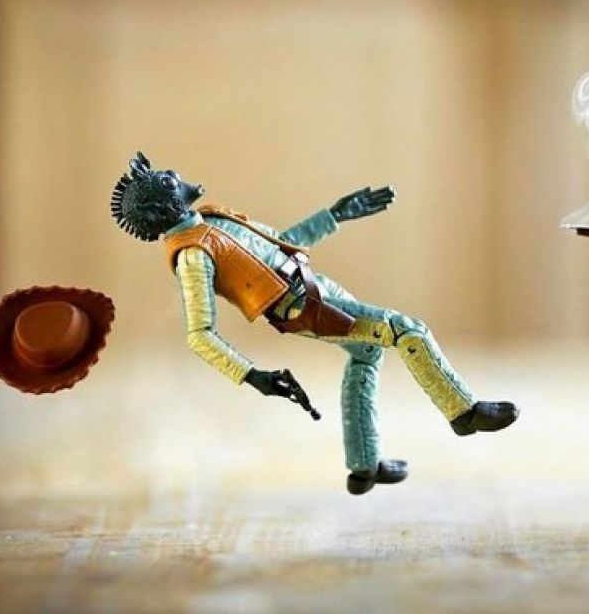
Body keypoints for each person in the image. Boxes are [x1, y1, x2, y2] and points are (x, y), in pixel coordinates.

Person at [111, 152, 519, 495]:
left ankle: (364, 465)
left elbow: (281, 242)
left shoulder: (211, 219)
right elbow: (199, 333)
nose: (175, 175)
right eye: (166, 182)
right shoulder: (192, 255)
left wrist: (336, 214)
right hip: (305, 307)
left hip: (315, 286)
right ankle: (462, 412)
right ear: (159, 209)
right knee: (407, 330)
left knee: (367, 353)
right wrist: (251, 375)